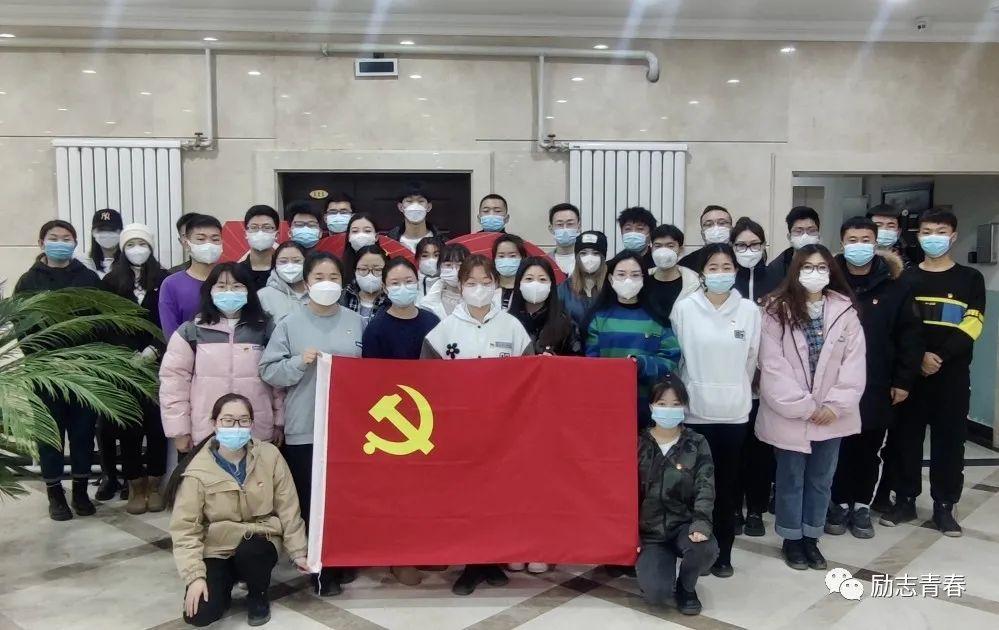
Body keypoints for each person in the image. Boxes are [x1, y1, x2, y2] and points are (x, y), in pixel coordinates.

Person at [421, 254, 533, 594]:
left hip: (503, 430)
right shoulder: (444, 330)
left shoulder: (512, 326)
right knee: (466, 497)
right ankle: (470, 563)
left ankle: (492, 559)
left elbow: (529, 376)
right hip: (461, 431)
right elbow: (427, 381)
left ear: (496, 284)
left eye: (486, 283)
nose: (479, 289)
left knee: (498, 496)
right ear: (460, 286)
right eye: (471, 283)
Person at [260, 252, 363, 596]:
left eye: (334, 277)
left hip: (348, 429)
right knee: (310, 499)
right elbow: (268, 371)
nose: (327, 283)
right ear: (306, 282)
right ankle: (318, 566)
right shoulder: (289, 323)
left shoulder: (356, 321)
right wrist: (297, 363)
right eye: (319, 277)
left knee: (343, 498)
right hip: (305, 425)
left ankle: (343, 556)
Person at [756, 244, 865, 571]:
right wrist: (803, 406)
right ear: (795, 271)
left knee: (821, 478)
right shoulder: (774, 309)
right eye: (807, 267)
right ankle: (792, 539)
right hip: (790, 414)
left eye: (821, 267)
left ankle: (812, 537)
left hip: (832, 415)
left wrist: (835, 405)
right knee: (791, 478)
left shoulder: (844, 310)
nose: (814, 273)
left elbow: (854, 363)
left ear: (831, 272)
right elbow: (771, 365)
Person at [880, 208, 986, 537]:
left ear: (953, 237)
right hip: (911, 376)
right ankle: (905, 500)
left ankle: (944, 506)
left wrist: (939, 356)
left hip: (952, 376)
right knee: (905, 439)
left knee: (950, 443)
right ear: (918, 236)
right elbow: (900, 326)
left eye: (941, 232)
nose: (933, 238)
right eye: (927, 232)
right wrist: (919, 358)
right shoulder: (906, 277)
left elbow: (973, 323)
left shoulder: (970, 278)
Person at [167, 393, 309, 628]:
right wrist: (195, 577)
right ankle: (226, 581)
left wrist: (298, 552)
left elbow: (288, 508)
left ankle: (257, 594)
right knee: (200, 615)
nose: (236, 427)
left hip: (260, 537)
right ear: (215, 424)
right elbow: (185, 528)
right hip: (218, 547)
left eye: (243, 421)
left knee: (253, 551)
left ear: (251, 424)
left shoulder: (270, 456)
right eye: (228, 420)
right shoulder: (197, 469)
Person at [824, 217, 922, 539]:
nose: (859, 246)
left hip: (878, 381)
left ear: (876, 243)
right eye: (852, 240)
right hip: (834, 382)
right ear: (842, 243)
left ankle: (862, 505)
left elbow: (910, 336)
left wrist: (903, 381)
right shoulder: (828, 282)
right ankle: (839, 502)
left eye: (866, 240)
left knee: (869, 447)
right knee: (838, 446)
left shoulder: (896, 285)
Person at [670, 243, 761, 577]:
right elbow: (678, 357)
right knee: (692, 488)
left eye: (726, 267)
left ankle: (723, 552)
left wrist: (737, 389)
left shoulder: (749, 310)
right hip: (695, 413)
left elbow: (751, 358)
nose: (720, 273)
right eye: (713, 267)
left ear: (736, 271)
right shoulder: (685, 308)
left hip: (733, 414)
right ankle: (695, 552)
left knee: (726, 487)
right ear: (702, 273)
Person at [14, 220, 102, 520]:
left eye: (67, 238)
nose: (60, 243)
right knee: (50, 436)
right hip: (45, 373)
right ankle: (55, 494)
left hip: (84, 370)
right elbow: (22, 326)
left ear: (75, 243)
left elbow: (102, 320)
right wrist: (45, 359)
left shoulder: (88, 278)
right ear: (42, 243)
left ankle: (80, 491)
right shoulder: (29, 281)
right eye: (54, 238)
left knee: (82, 434)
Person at [360, 259, 440, 586]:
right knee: (398, 492)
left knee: (429, 490)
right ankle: (399, 556)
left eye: (408, 280)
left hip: (431, 414)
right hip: (394, 420)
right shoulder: (377, 328)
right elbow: (370, 379)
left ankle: (428, 550)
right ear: (385, 287)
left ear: (418, 281)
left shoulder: (432, 321)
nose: (402, 287)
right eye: (395, 282)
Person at [160, 262, 282, 456]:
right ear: (210, 291)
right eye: (222, 286)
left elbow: (278, 380)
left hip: (257, 430)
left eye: (237, 286)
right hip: (205, 433)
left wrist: (279, 422)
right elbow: (174, 383)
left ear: (249, 291)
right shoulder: (191, 331)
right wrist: (179, 430)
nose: (229, 292)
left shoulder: (265, 329)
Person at [100, 223, 170, 514]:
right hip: (125, 368)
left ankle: (154, 484)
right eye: (131, 244)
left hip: (157, 366)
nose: (137, 250)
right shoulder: (110, 282)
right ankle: (135, 485)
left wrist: (155, 349)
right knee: (128, 428)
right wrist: (124, 355)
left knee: (157, 427)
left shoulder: (164, 279)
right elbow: (103, 323)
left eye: (142, 244)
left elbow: (169, 319)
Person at [637, 376, 718, 616]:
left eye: (675, 404)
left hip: (684, 525)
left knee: (705, 549)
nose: (669, 409)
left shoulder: (696, 443)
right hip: (650, 533)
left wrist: (701, 523)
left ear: (684, 406)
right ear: (651, 406)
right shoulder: (637, 443)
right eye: (662, 404)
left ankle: (686, 586)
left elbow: (705, 486)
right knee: (656, 594)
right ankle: (659, 569)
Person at [584, 251, 680, 430]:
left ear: (644, 279)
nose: (628, 280)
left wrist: (642, 364)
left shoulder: (657, 318)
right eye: (621, 274)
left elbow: (671, 358)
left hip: (649, 406)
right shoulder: (598, 318)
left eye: (635, 275)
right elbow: (591, 363)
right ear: (611, 279)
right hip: (608, 405)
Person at [730, 217, 781, 537]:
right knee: (734, 448)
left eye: (754, 244)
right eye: (741, 245)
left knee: (761, 449)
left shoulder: (777, 281)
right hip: (732, 381)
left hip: (767, 382)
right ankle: (734, 507)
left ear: (763, 247)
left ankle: (757, 510)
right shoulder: (725, 282)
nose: (748, 250)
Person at [159, 214, 223, 339]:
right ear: (187, 244)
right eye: (201, 239)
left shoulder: (233, 279)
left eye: (215, 239)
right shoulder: (171, 284)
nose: (209, 244)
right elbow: (171, 333)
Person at [509, 256, 579, 357]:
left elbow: (577, 360)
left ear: (551, 285)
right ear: (519, 283)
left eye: (542, 279)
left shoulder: (565, 324)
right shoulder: (507, 322)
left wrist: (554, 360)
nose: (535, 284)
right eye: (529, 279)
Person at [646, 224, 700, 325]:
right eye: (658, 246)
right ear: (651, 249)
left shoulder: (695, 283)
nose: (663, 251)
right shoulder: (642, 280)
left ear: (681, 250)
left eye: (670, 246)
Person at [557, 230, 607, 329]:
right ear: (577, 257)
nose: (589, 258)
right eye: (583, 253)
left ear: (603, 257)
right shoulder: (562, 290)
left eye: (595, 253)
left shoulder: (611, 288)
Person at [339, 244, 389, 329]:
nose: (370, 275)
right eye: (363, 269)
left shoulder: (392, 300)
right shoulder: (343, 297)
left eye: (378, 269)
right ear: (355, 271)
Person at [257, 241, 309, 322]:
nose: (290, 266)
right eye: (283, 261)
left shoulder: (318, 292)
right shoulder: (263, 296)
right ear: (275, 264)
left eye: (297, 261)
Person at [418, 243, 472, 319]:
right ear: (439, 267)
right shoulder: (427, 303)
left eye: (460, 265)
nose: (455, 270)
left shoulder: (481, 296)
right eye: (448, 265)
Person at [767, 206, 821, 279]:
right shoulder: (776, 269)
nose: (805, 236)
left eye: (811, 231)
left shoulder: (830, 265)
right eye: (799, 231)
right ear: (789, 237)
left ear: (818, 236)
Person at [678, 205, 733, 271]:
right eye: (708, 224)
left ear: (732, 230)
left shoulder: (740, 258)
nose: (716, 228)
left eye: (722, 223)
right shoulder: (687, 263)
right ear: (703, 234)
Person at [386, 186, 440, 252]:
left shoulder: (441, 241)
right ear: (400, 207)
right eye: (409, 201)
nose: (415, 206)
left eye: (421, 201)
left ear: (429, 207)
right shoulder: (389, 242)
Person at [240, 204, 280, 291]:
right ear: (246, 234)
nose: (260, 232)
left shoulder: (283, 270)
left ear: (276, 235)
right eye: (254, 227)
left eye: (267, 227)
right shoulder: (236, 272)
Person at [868, 203, 919, 269]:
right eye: (878, 226)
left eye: (891, 226)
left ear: (898, 232)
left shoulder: (907, 265)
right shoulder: (859, 259)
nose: (884, 230)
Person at [83, 208, 123, 278]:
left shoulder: (130, 262)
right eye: (101, 230)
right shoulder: (85, 263)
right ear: (93, 232)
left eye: (112, 229)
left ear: (122, 232)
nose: (107, 234)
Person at [342, 213, 380, 284]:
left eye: (367, 231)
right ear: (348, 237)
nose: (361, 235)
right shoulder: (340, 267)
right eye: (355, 231)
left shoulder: (387, 264)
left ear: (376, 237)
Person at [492, 233, 527, 309]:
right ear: (494, 259)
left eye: (512, 256)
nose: (506, 260)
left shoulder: (528, 288)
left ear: (522, 258)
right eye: (501, 256)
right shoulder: (488, 287)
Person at [548, 203, 581, 274]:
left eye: (570, 224)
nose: (565, 229)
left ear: (578, 227)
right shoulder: (545, 261)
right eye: (559, 224)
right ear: (551, 229)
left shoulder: (586, 260)